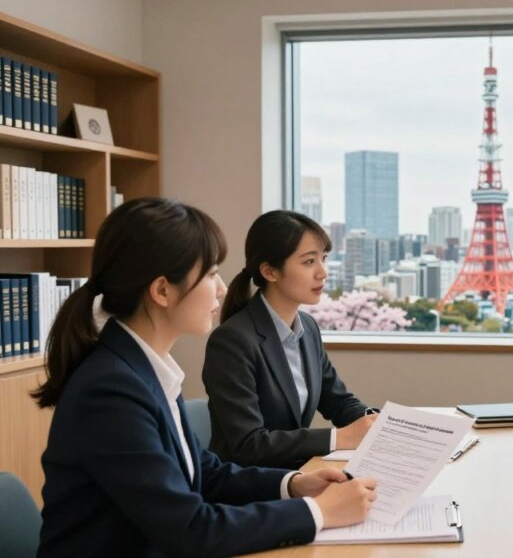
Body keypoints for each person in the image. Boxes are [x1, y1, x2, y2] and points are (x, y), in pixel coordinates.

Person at [34, 198, 377, 556]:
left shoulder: (145, 367)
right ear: (163, 290)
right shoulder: (111, 390)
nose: (223, 288)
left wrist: (294, 485)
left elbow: (204, 472)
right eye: (211, 274)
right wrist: (319, 512)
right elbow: (192, 529)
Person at [203, 210, 375, 469]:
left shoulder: (307, 327)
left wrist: (381, 425)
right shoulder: (231, 342)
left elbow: (338, 401)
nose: (323, 273)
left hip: (298, 475)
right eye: (308, 262)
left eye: (324, 259)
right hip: (248, 489)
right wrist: (339, 438)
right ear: (270, 272)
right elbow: (249, 444)